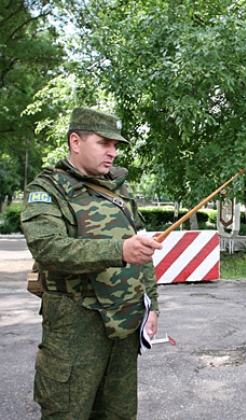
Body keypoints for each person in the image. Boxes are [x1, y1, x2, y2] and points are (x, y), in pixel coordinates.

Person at [21, 107, 163, 419]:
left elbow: (140, 247)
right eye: (104, 143)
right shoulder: (47, 190)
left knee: (119, 414)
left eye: (116, 146)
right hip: (75, 331)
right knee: (67, 412)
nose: (112, 153)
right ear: (75, 141)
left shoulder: (119, 189)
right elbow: (49, 248)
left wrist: (152, 305)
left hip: (124, 328)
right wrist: (119, 250)